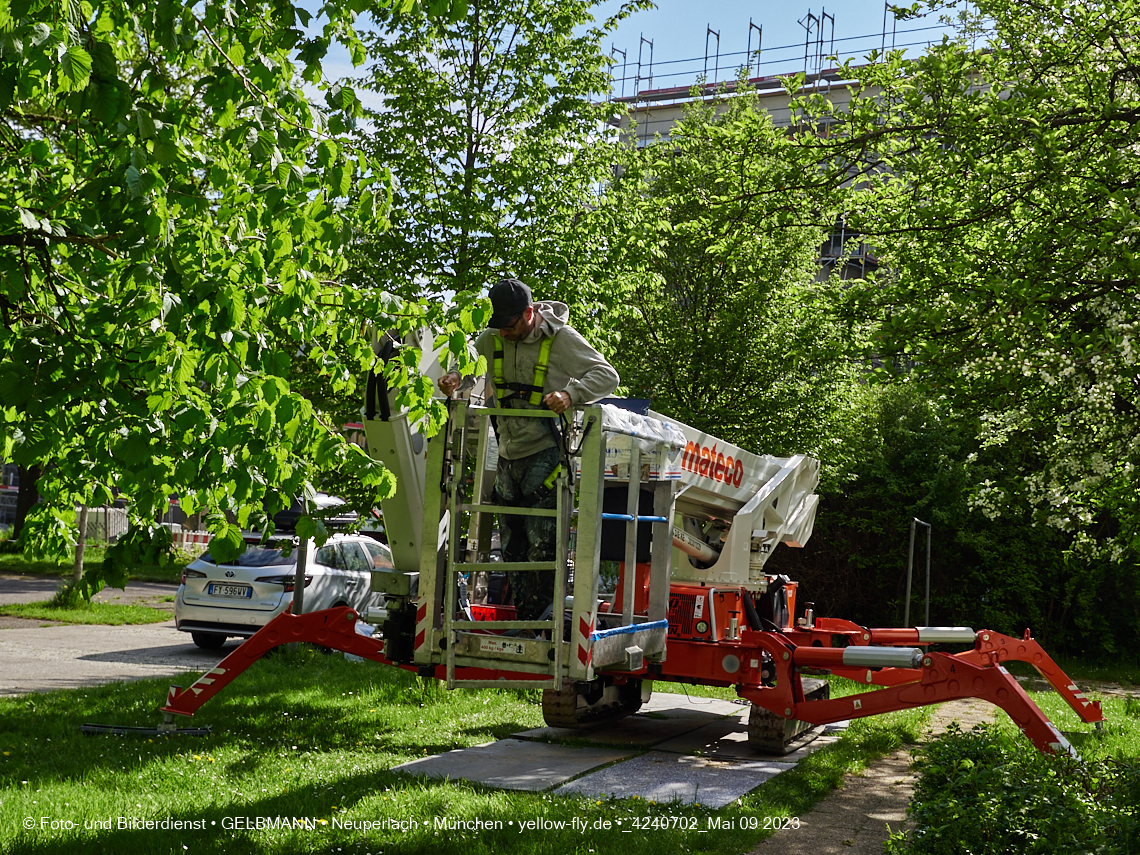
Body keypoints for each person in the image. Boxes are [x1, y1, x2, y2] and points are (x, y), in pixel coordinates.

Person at [438, 278, 619, 622]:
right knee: (510, 547)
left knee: (543, 545)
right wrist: (455, 377)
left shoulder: (561, 339)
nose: (503, 335)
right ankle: (525, 619)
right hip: (507, 455)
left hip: (546, 456)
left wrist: (571, 395)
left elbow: (607, 375)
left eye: (509, 326)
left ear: (528, 314)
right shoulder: (493, 337)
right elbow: (470, 366)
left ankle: (544, 622)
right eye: (498, 328)